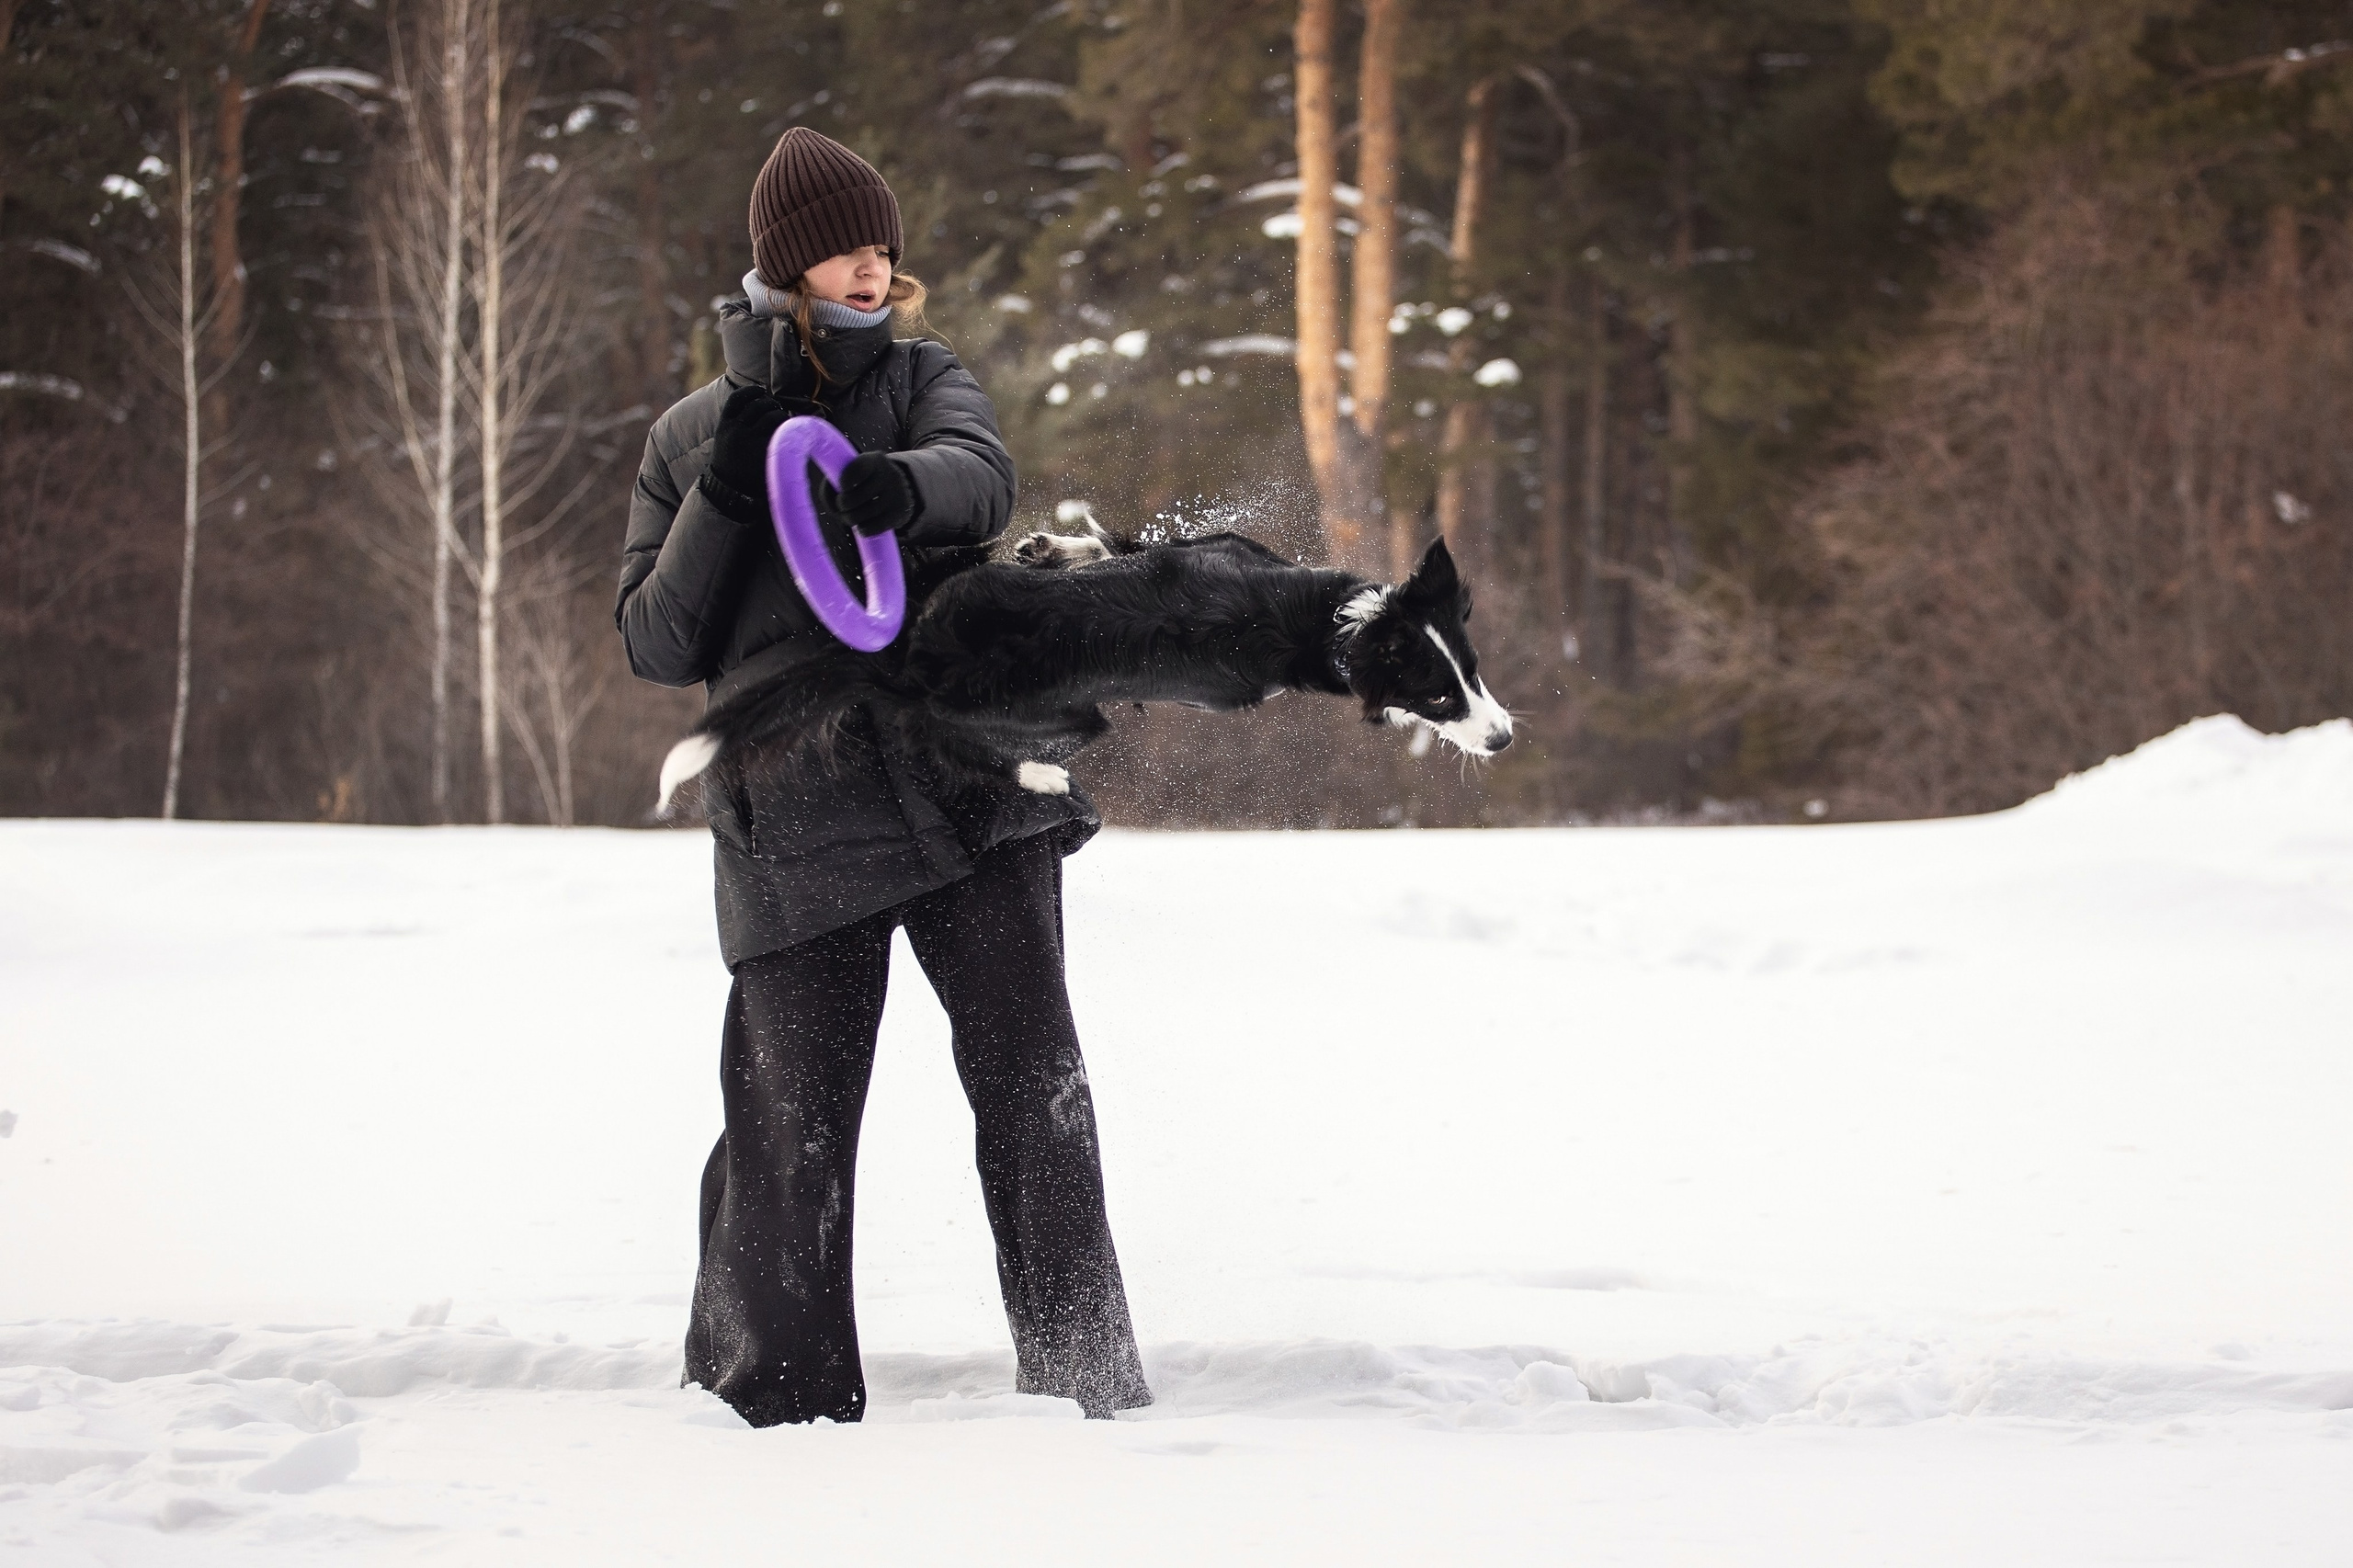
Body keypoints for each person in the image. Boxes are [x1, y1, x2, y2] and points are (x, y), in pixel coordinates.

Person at [615, 127, 1151, 1426]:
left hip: (965, 779)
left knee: (1036, 1091)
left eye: (882, 249)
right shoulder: (688, 437)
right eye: (846, 249)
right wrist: (730, 487)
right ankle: (770, 1398)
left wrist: (882, 488)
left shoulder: (921, 376)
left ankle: (1086, 1376)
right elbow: (657, 640)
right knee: (785, 1120)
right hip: (794, 813)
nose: (872, 268)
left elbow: (982, 478)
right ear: (787, 263)